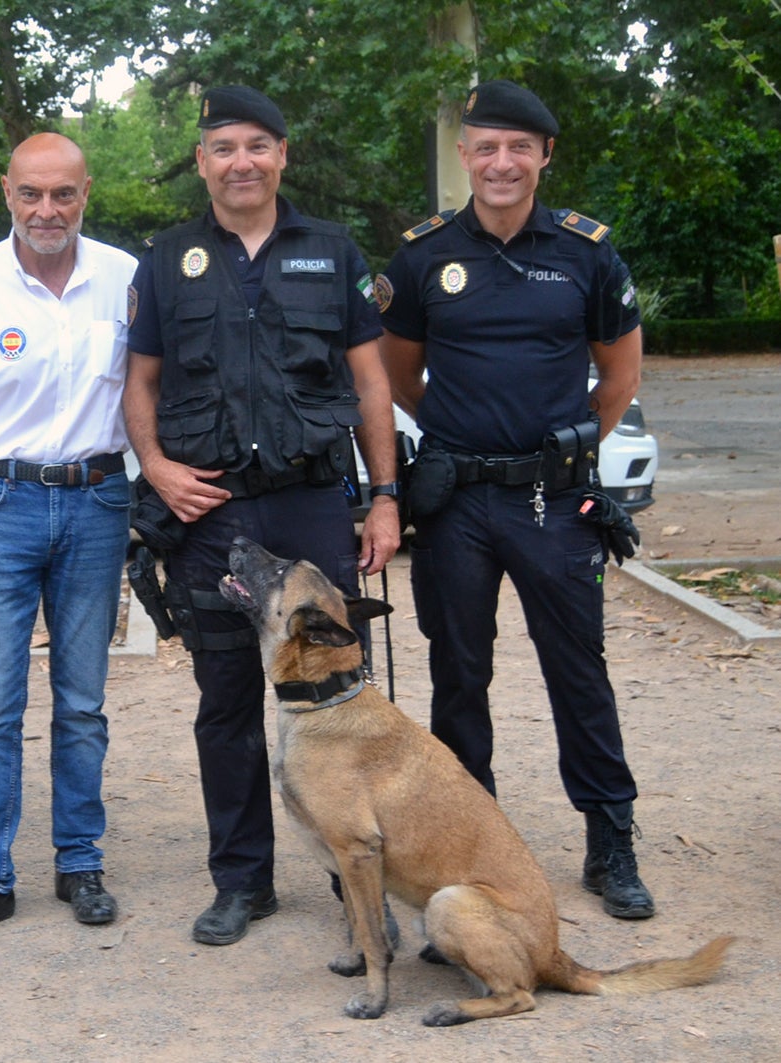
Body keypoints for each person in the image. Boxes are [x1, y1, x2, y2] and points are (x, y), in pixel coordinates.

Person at [123, 85, 402, 947]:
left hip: (314, 505)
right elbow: (140, 383)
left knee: (337, 695)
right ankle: (243, 880)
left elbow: (370, 383)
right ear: (202, 160)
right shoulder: (167, 259)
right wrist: (160, 469)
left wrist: (386, 495)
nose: (240, 161)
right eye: (222, 147)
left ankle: (352, 874)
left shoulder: (331, 250)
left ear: (283, 154)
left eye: (257, 145)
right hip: (212, 515)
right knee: (227, 699)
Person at [376, 79, 653, 920]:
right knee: (459, 675)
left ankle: (610, 842)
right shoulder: (422, 257)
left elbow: (621, 375)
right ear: (465, 154)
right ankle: (467, 840)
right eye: (486, 146)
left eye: (518, 147)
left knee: (580, 672)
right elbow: (398, 374)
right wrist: (467, 440)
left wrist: (560, 448)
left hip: (554, 503)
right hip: (457, 504)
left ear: (544, 156)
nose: (502, 162)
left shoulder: (587, 253)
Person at [0, 132, 135, 948]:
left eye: (64, 195)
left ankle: (80, 861)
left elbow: (141, 393)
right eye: (31, 195)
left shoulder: (125, 278)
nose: (47, 211)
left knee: (82, 703)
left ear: (87, 193)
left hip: (95, 503)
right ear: (7, 191)